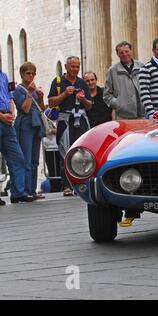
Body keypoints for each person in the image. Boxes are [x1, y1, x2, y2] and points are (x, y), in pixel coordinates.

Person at [48, 56, 92, 197]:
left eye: (77, 66)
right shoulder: (58, 82)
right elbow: (51, 103)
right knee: (65, 153)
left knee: (84, 153)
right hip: (65, 121)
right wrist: (64, 94)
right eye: (72, 66)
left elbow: (90, 105)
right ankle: (67, 185)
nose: (75, 69)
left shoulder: (82, 82)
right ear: (66, 67)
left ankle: (83, 184)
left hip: (81, 121)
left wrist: (83, 99)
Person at [13, 62, 46, 200]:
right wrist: (30, 93)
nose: (31, 76)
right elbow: (25, 109)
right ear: (22, 74)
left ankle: (32, 189)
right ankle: (24, 190)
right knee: (25, 158)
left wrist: (41, 96)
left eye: (33, 73)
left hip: (36, 124)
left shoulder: (34, 89)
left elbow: (42, 108)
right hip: (25, 124)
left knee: (34, 159)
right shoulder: (18, 89)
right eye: (28, 73)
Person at [0, 69, 34, 205]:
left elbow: (9, 96)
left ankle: (18, 193)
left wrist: (11, 111)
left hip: (7, 120)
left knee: (17, 157)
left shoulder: (3, 76)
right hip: (2, 117)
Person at [104, 41, 144, 120]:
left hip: (143, 115)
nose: (125, 54)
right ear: (118, 54)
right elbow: (107, 95)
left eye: (126, 51)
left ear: (131, 51)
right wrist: (119, 104)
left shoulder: (142, 67)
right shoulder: (112, 71)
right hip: (123, 117)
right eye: (121, 52)